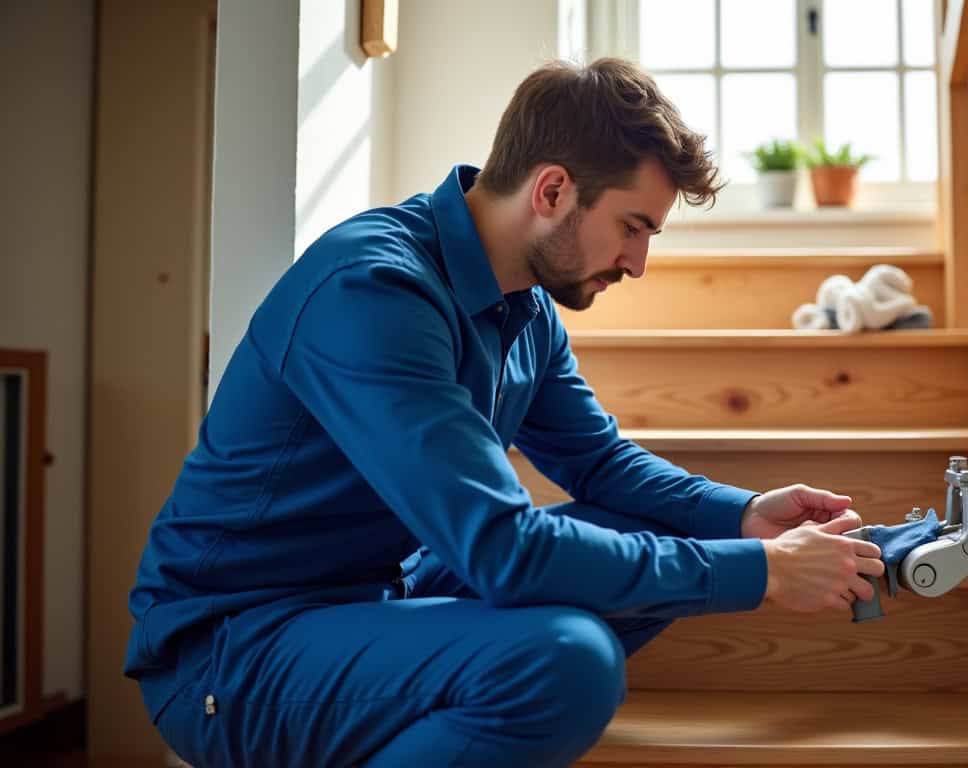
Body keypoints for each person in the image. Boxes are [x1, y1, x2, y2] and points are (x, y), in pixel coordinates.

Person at [125, 57, 885, 767]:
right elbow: (503, 548)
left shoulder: (525, 307)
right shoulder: (374, 291)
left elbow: (598, 463)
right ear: (552, 190)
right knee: (568, 659)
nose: (638, 263)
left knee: (655, 535)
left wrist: (745, 515)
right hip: (236, 644)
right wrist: (762, 572)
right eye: (633, 227)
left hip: (382, 594)